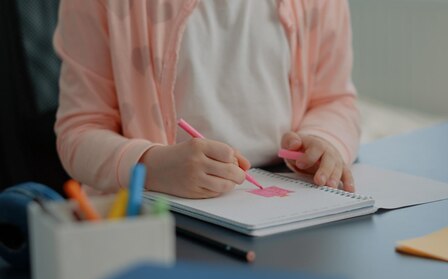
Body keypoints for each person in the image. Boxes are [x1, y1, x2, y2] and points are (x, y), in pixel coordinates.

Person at [54, 0, 360, 199]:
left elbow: (334, 99)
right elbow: (79, 132)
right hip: (152, 211)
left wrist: (323, 142)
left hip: (287, 199)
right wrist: (150, 166)